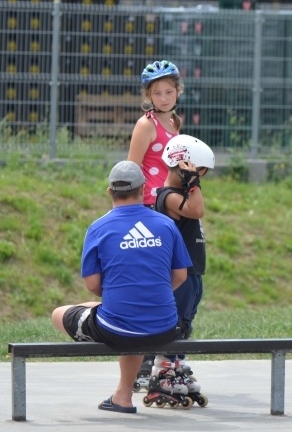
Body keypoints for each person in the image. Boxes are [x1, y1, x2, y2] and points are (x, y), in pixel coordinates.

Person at [51, 161, 192, 413]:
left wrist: (125, 292)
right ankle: (121, 396)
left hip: (118, 328)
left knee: (59, 314)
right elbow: (180, 275)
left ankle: (123, 396)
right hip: (165, 326)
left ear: (109, 191)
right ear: (143, 188)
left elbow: (93, 285)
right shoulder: (166, 225)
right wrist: (147, 291)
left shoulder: (98, 228)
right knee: (128, 318)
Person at [134, 135, 214, 404]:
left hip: (193, 273)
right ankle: (163, 368)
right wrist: (192, 184)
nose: (199, 179)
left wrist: (190, 183)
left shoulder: (179, 194)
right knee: (176, 322)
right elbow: (198, 210)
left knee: (185, 323)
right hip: (181, 273)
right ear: (183, 169)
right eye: (197, 172)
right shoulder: (167, 196)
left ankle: (175, 364)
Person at [128, 60, 183, 208]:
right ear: (149, 96)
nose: (163, 99)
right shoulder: (146, 125)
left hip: (170, 199)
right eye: (157, 93)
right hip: (151, 204)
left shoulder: (173, 123)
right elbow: (131, 169)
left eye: (169, 92)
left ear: (179, 91)